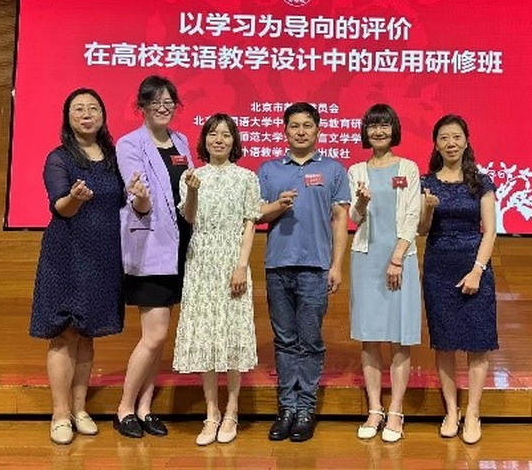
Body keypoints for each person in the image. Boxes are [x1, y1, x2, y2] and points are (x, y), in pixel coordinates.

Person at [29, 88, 124, 445]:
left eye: (93, 108)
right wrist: (74, 198)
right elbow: (61, 207)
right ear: (68, 118)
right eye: (79, 109)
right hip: (67, 255)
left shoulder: (114, 157)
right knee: (64, 332)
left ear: (103, 115)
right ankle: (59, 413)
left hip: (103, 256)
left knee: (86, 333)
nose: (87, 115)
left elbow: (127, 202)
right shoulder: (59, 158)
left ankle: (80, 409)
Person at [257, 102, 350, 443]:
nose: (300, 131)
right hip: (277, 266)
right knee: (285, 341)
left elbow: (340, 219)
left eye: (306, 125)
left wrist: (336, 265)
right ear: (285, 131)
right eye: (294, 126)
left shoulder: (333, 169)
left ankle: (305, 410)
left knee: (309, 340)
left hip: (315, 267)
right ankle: (286, 409)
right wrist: (277, 206)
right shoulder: (269, 170)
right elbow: (257, 214)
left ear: (318, 130)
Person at [172, 113, 261, 446]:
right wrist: (193, 191)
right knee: (207, 338)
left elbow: (250, 223)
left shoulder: (246, 178)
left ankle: (232, 411)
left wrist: (241, 266)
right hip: (201, 262)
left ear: (234, 140)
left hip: (232, 260)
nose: (219, 139)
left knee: (231, 335)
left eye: (225, 134)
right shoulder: (192, 176)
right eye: (213, 133)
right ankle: (211, 413)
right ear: (204, 140)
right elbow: (189, 216)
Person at [114, 75, 193, 439]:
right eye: (155, 102)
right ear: (142, 107)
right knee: (154, 334)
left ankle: (145, 407)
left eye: (168, 102)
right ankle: (124, 408)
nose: (163, 107)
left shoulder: (182, 141)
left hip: (181, 245)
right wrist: (142, 198)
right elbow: (138, 198)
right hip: (151, 246)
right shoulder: (130, 144)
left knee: (160, 337)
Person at [418, 114, 498, 445]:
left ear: (466, 141)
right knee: (445, 343)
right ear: (436, 144)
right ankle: (451, 411)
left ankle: (474, 412)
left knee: (478, 343)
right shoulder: (426, 182)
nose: (451, 143)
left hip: (475, 265)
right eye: (444, 138)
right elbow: (422, 230)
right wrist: (428, 208)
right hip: (438, 268)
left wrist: (477, 270)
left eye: (456, 137)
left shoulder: (481, 182)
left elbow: (490, 231)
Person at [348, 104, 422, 443]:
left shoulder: (408, 168)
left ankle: (395, 410)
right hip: (366, 258)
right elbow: (354, 217)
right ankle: (375, 409)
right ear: (366, 132)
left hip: (400, 258)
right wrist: (362, 202)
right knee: (370, 336)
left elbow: (412, 215)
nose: (378, 131)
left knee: (399, 337)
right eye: (373, 126)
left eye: (385, 125)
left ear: (394, 130)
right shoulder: (356, 171)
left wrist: (396, 258)